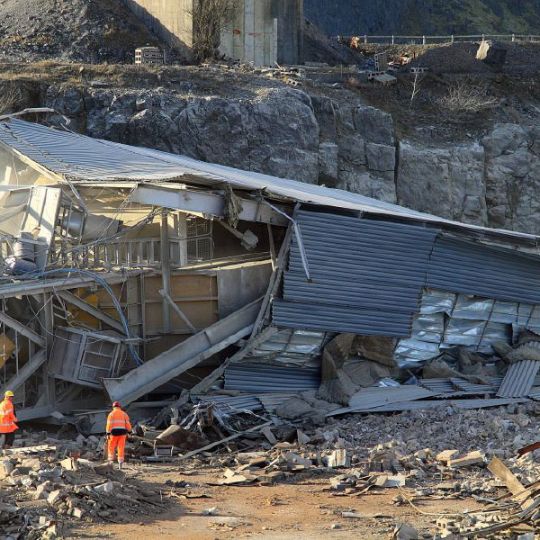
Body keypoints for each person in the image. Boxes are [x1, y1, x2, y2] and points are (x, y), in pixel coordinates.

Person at [106, 401, 132, 469]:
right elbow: (128, 424)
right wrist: (129, 432)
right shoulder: (124, 414)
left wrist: (108, 433)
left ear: (113, 407)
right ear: (120, 407)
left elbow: (109, 425)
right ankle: (120, 464)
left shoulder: (111, 414)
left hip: (113, 433)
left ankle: (110, 462)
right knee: (121, 447)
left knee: (111, 447)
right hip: (122, 433)